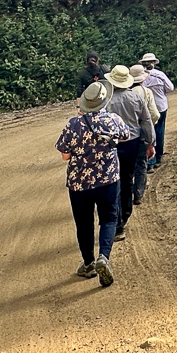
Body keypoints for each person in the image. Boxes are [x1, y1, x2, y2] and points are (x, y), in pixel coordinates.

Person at [56, 80, 136, 288]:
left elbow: (65, 155)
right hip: (108, 179)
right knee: (109, 218)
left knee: (83, 223)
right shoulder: (114, 120)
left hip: (79, 183)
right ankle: (104, 257)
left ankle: (88, 264)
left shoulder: (73, 124)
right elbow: (126, 136)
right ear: (104, 101)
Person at [106, 64, 154, 241]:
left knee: (113, 180)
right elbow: (146, 121)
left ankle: (115, 221)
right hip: (132, 142)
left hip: (112, 144)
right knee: (127, 178)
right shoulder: (136, 97)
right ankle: (124, 215)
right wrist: (150, 143)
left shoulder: (107, 101)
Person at [128, 64, 160, 203]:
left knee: (128, 166)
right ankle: (139, 193)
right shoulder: (146, 92)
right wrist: (150, 131)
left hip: (126, 136)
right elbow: (154, 114)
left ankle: (127, 194)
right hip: (141, 134)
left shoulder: (125, 94)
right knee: (141, 164)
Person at [139, 52, 174, 168]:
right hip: (160, 106)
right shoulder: (160, 75)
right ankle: (158, 156)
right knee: (159, 131)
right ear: (153, 63)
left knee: (147, 133)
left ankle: (149, 161)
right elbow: (170, 88)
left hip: (146, 108)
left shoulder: (140, 76)